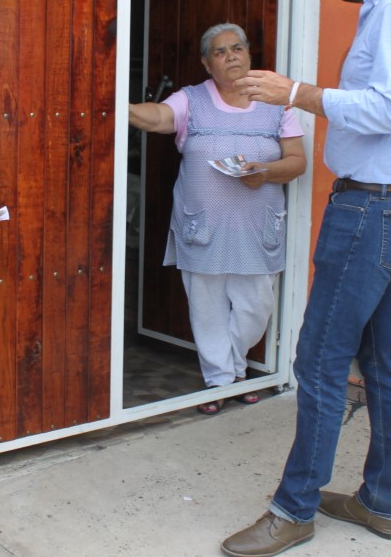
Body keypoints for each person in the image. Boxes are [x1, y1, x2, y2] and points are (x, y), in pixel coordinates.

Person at [220, 0, 391, 557]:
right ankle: (382, 500)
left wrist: (298, 93)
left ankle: (293, 508)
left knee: (319, 357)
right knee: (383, 356)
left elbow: (389, 108)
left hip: (375, 206)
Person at [129, 23, 306, 414]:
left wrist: (265, 172)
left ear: (248, 55)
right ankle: (220, 381)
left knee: (255, 307)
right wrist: (120, 109)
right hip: (204, 225)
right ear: (208, 65)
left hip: (256, 228)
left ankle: (235, 365)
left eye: (237, 48)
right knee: (206, 306)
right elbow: (158, 117)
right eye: (221, 52)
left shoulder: (277, 103)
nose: (231, 56)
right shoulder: (192, 99)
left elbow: (297, 161)